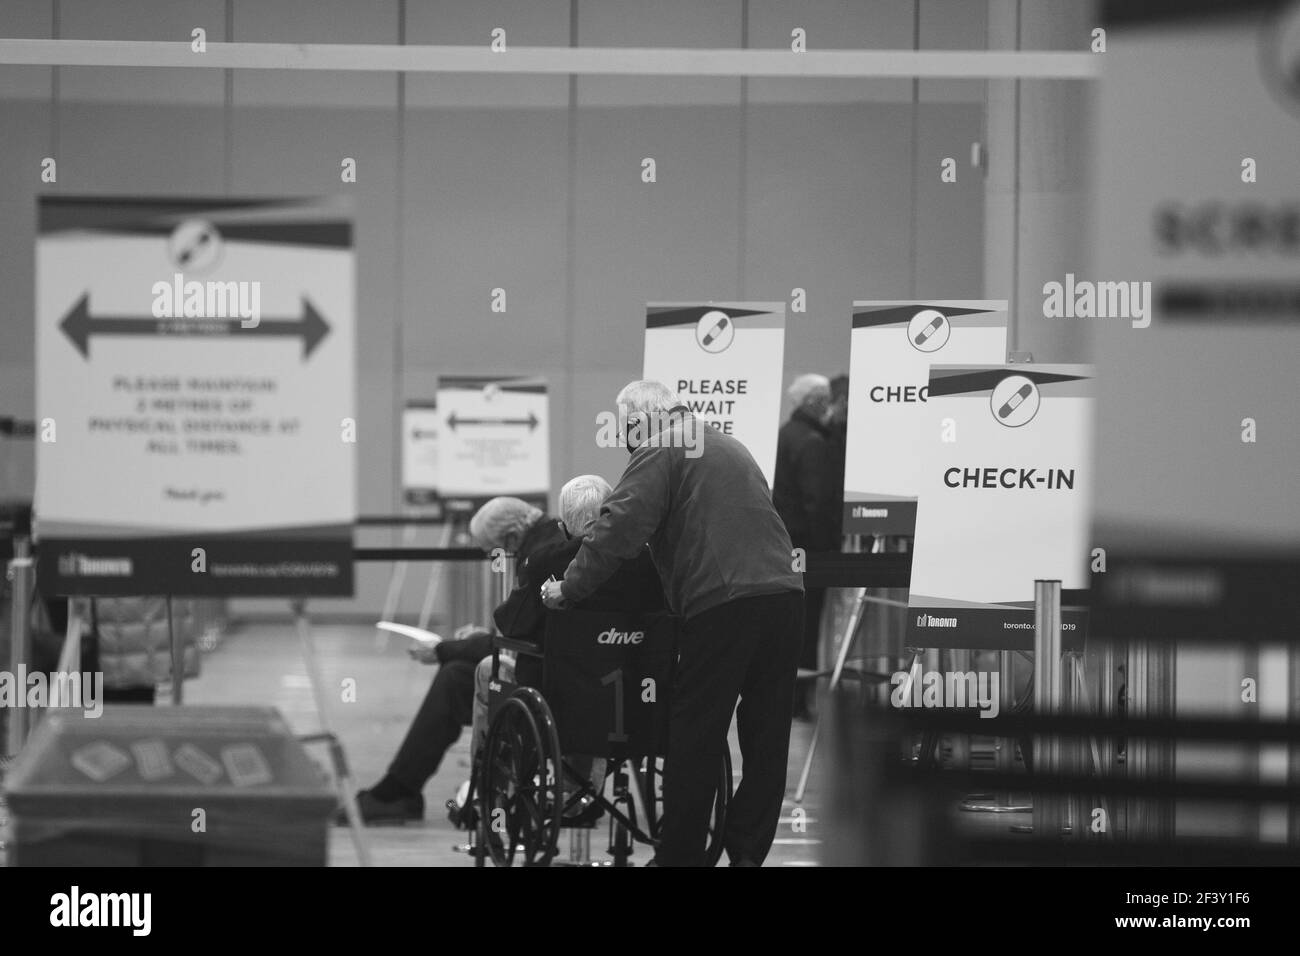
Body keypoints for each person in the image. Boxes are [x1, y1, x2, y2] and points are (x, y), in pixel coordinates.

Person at [543, 380, 804, 867]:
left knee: (695, 734)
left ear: (639, 421)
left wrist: (568, 588)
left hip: (723, 602)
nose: (625, 440)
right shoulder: (729, 444)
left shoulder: (660, 447)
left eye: (625, 430)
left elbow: (618, 527)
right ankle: (747, 853)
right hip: (786, 595)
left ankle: (680, 858)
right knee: (767, 736)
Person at [346, 496, 564, 825]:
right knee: (457, 673)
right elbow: (527, 628)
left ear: (510, 538)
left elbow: (515, 642)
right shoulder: (556, 542)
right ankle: (401, 787)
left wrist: (442, 650)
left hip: (545, 677)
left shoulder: (540, 558)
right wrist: (480, 638)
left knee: (454, 678)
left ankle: (400, 789)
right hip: (569, 669)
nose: (495, 559)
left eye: (493, 551)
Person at [772, 374, 840, 716]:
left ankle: (791, 697)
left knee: (792, 625)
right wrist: (829, 552)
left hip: (786, 544)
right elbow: (818, 502)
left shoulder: (786, 434)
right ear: (813, 402)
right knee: (808, 625)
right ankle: (801, 702)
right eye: (825, 400)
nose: (829, 407)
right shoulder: (813, 442)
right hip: (809, 549)